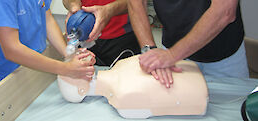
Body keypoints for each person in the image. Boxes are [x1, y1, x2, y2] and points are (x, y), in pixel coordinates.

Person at [57, 55, 208, 118]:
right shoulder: (123, 98)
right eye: (75, 75)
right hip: (195, 87)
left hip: (193, 78)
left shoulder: (121, 71)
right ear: (81, 91)